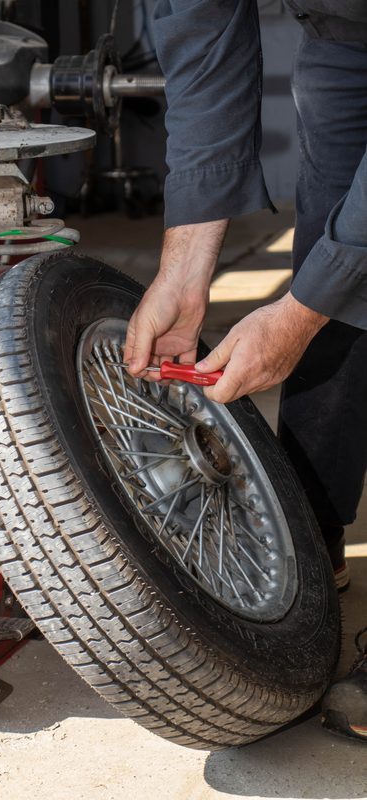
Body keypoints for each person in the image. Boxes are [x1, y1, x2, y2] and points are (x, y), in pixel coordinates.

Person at [123, 0, 367, 742]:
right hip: (344, 33)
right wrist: (183, 268)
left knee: (331, 279)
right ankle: (308, 536)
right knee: (329, 254)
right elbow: (200, 44)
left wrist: (298, 313)